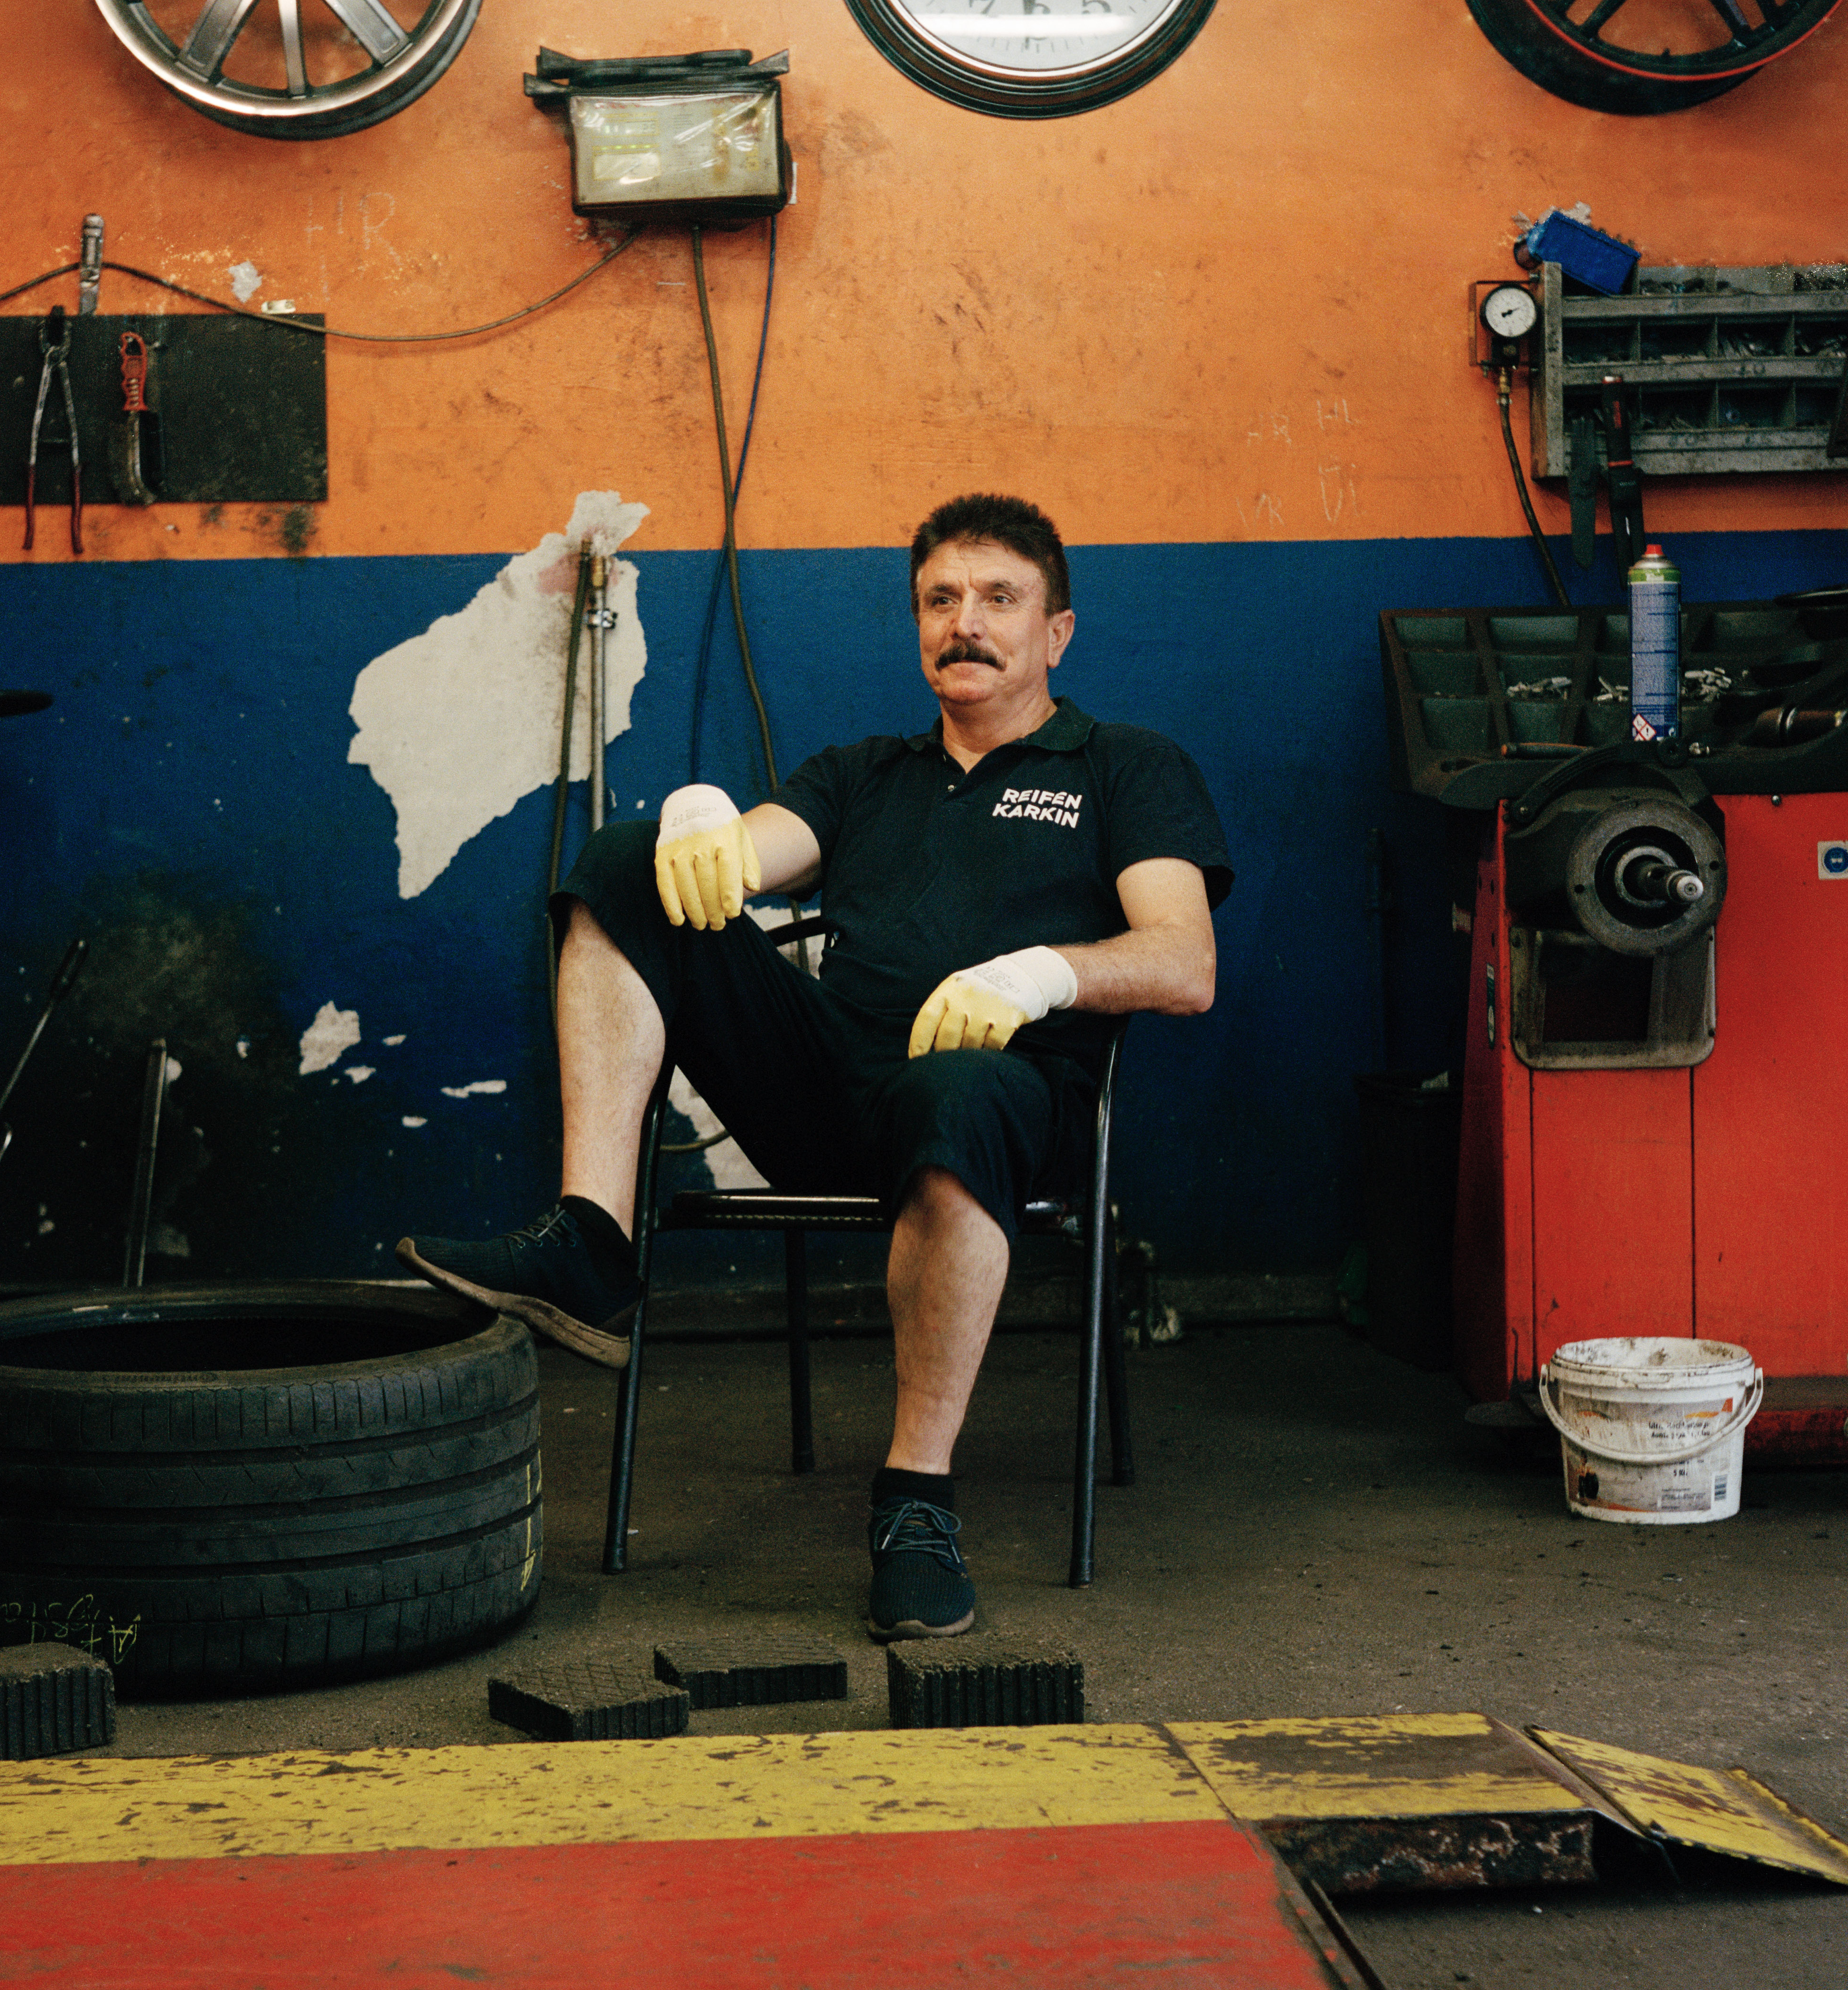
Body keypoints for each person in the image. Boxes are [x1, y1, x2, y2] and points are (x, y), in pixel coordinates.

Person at [402, 492, 1232, 1639]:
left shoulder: (1124, 767)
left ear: (1057, 633)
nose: (966, 622)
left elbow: (1184, 963)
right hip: (833, 1088)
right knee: (627, 858)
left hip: (1009, 1099)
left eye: (1000, 598)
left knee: (961, 1090)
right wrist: (702, 822)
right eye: (940, 599)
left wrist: (1038, 975)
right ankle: (592, 1239)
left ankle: (915, 1503)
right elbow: (741, 860)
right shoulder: (865, 773)